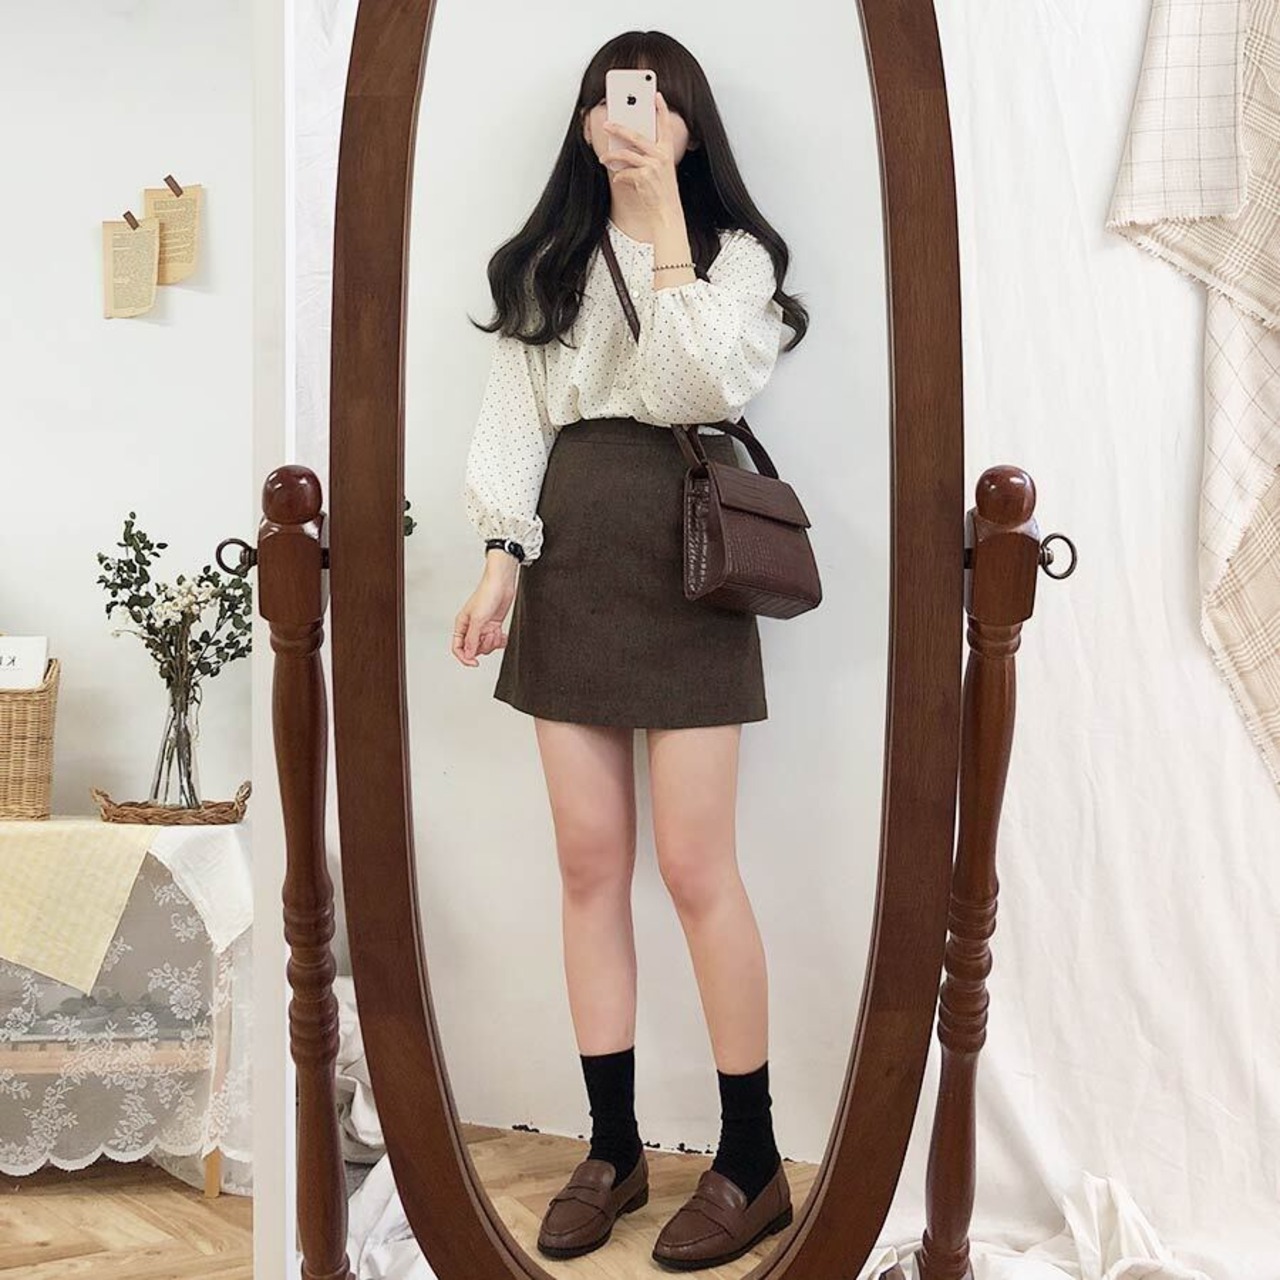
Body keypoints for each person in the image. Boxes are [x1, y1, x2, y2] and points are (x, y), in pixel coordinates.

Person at [450, 29, 808, 1272]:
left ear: (688, 126)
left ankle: (750, 1156)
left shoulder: (735, 257)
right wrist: (500, 556)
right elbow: (515, 419)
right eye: (610, 102)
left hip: (692, 553)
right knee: (589, 863)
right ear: (585, 121)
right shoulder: (546, 260)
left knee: (700, 867)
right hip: (573, 556)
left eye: (653, 104)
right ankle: (611, 1146)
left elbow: (693, 386)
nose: (630, 119)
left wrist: (660, 227)